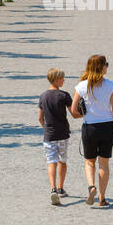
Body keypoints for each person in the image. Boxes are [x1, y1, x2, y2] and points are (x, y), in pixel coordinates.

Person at [70, 54, 113, 207]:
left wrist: (86, 114)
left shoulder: (81, 86)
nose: (107, 66)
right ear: (101, 67)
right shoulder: (111, 85)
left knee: (89, 161)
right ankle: (102, 197)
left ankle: (91, 186)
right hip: (108, 127)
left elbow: (73, 112)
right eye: (106, 64)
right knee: (104, 163)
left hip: (90, 127)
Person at [37, 68, 72, 206]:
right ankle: (60, 187)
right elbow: (74, 112)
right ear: (57, 79)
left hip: (49, 135)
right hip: (63, 134)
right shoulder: (64, 95)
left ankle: (53, 189)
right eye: (62, 78)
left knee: (51, 161)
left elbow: (40, 117)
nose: (64, 80)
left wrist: (45, 128)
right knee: (62, 161)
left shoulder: (43, 96)